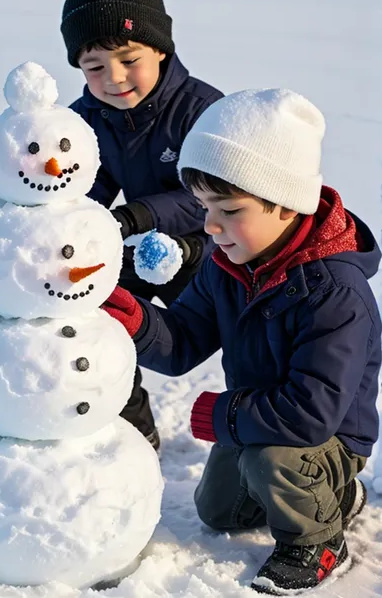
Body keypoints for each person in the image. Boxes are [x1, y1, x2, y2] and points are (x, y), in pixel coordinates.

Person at [102, 88, 381, 594]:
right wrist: (134, 318)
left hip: (330, 436)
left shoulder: (335, 293)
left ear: (286, 205)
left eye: (228, 210)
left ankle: (318, 540)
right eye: (205, 206)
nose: (210, 226)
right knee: (219, 512)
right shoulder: (227, 266)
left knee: (270, 460)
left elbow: (311, 413)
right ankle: (331, 495)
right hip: (260, 418)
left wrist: (223, 416)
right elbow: (183, 340)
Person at [61, 0, 223, 450]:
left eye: (129, 59)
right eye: (94, 66)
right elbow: (80, 188)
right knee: (93, 310)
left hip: (212, 249)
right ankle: (130, 427)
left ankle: (256, 429)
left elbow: (213, 196)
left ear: (159, 49)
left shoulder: (201, 108)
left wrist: (137, 215)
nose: (114, 77)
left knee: (248, 332)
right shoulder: (86, 120)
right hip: (139, 249)